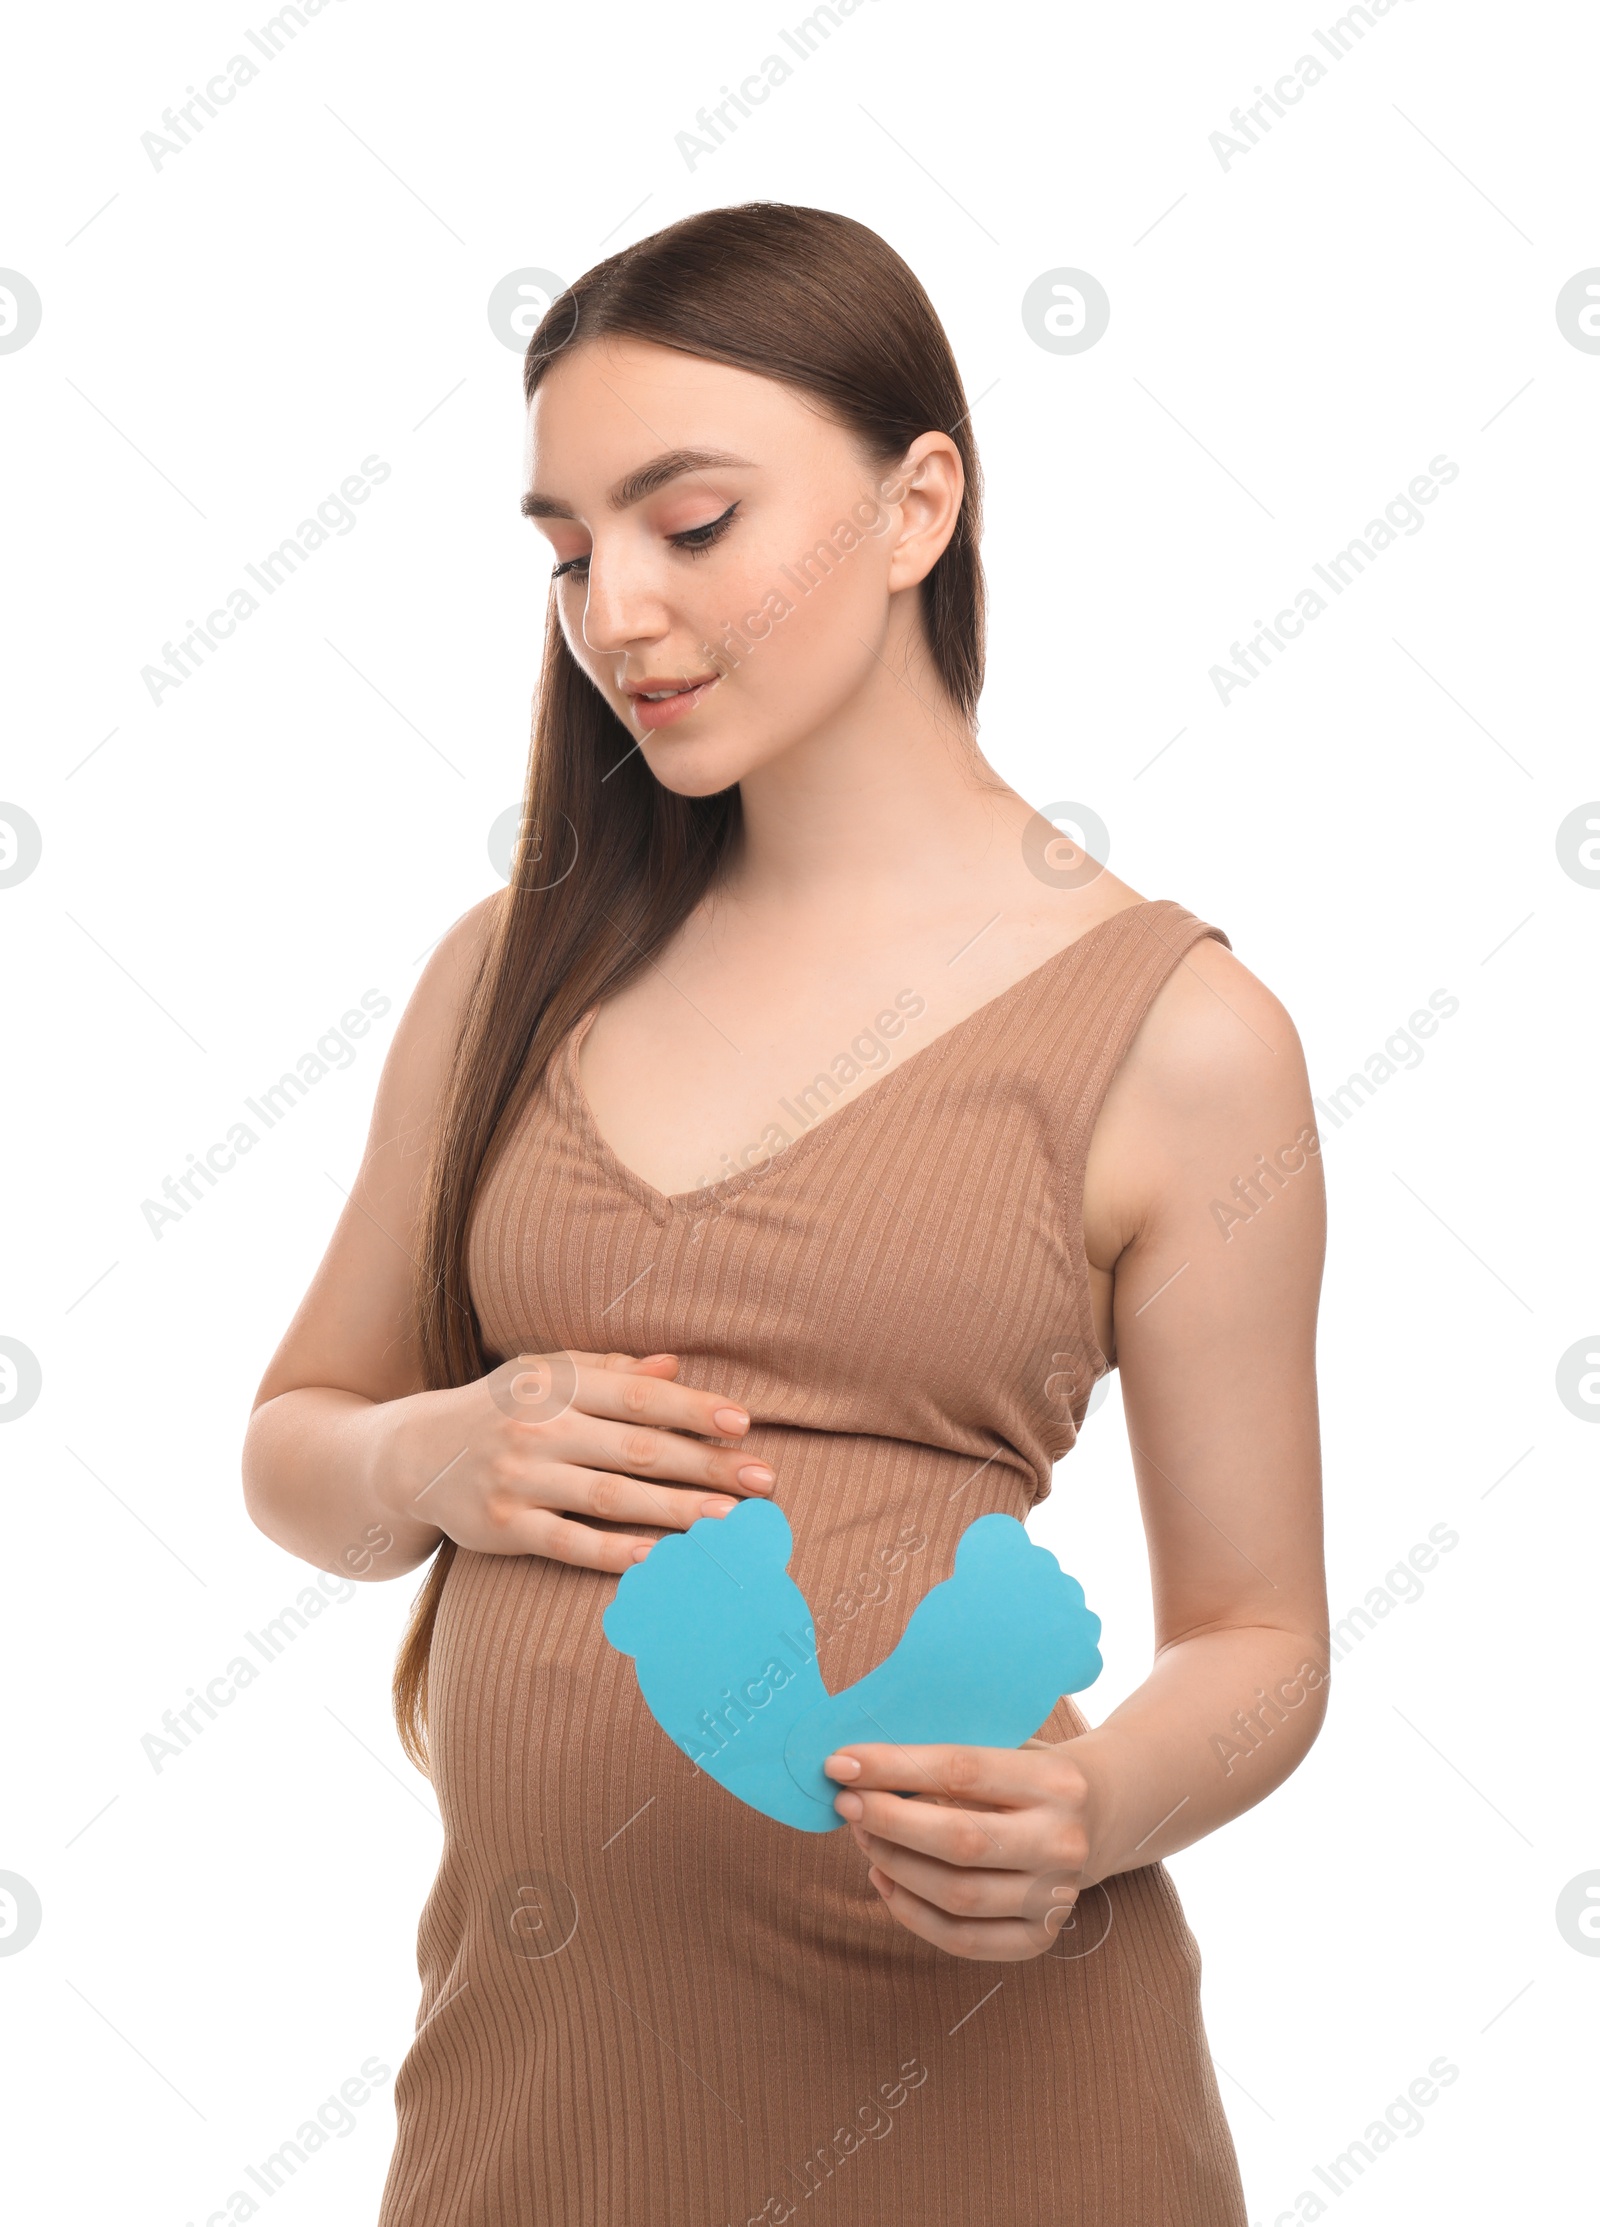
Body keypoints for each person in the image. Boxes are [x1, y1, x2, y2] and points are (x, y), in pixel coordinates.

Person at [242, 201, 1327, 2227]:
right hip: (539, 2109)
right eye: (567, 550)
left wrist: (1086, 1809)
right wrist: (432, 1450)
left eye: (692, 523)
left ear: (920, 503)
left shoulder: (1179, 1036)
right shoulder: (515, 972)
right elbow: (296, 1449)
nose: (615, 610)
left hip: (994, 2122)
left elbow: (1260, 1640)